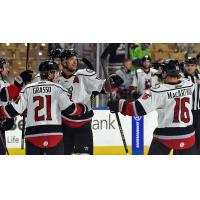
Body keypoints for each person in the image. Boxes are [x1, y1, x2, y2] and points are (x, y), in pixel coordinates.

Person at [107, 60, 197, 155]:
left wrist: (118, 104)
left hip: (166, 136)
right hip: (188, 135)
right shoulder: (189, 85)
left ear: (165, 73)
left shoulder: (157, 91)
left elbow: (135, 109)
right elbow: (179, 79)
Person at [1, 60, 88, 155]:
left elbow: (14, 110)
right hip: (54, 136)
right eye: (57, 73)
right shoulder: (58, 89)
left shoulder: (28, 89)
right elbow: (70, 109)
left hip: (33, 136)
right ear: (50, 74)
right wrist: (84, 108)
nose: (58, 76)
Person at [59, 49, 121, 155]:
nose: (75, 62)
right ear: (64, 62)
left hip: (83, 127)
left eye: (75, 59)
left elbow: (103, 87)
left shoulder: (85, 74)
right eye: (71, 60)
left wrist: (111, 83)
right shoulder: (56, 79)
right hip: (63, 126)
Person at [0, 58, 33, 155]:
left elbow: (14, 97)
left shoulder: (4, 83)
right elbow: (5, 94)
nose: (8, 70)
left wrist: (23, 88)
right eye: (6, 67)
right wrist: (20, 80)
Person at [181, 57, 200, 153]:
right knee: (185, 133)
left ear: (196, 66)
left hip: (198, 111)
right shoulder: (181, 77)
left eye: (192, 65)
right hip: (185, 111)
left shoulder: (199, 76)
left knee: (198, 133)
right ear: (184, 66)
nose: (190, 68)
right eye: (188, 65)